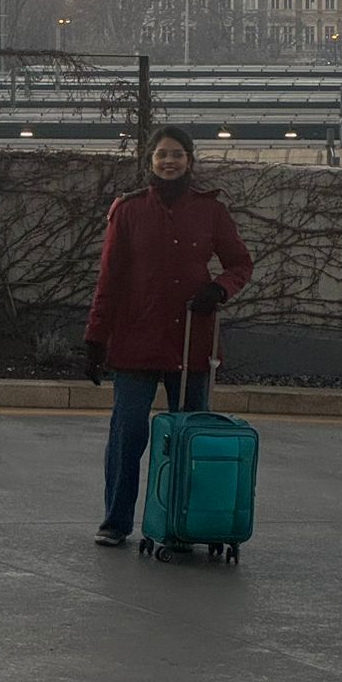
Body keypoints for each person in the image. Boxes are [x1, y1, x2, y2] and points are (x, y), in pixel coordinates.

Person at [84, 124, 254, 546]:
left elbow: (240, 264)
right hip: (135, 342)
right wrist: (95, 339)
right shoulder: (128, 210)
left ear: (190, 161)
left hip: (190, 345)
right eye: (162, 154)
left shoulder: (211, 212)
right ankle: (116, 521)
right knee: (127, 437)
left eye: (177, 154)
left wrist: (219, 289)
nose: (169, 161)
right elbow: (110, 280)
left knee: (187, 440)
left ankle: (182, 523)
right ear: (150, 162)